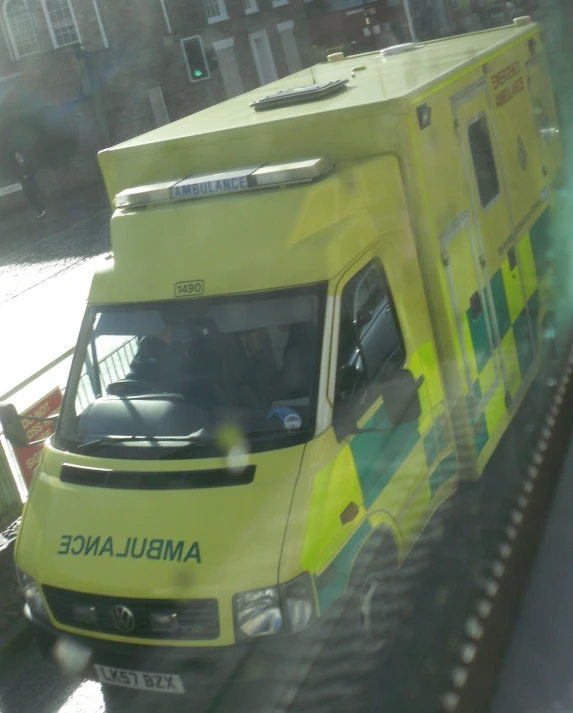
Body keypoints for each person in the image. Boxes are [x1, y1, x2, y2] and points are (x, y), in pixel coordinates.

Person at [12, 152, 46, 218]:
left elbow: (33, 170)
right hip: (25, 185)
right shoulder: (17, 165)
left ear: (21, 154)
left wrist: (28, 175)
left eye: (17, 155)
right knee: (31, 199)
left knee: (35, 197)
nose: (17, 157)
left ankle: (41, 210)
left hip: (31, 182)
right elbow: (17, 173)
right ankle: (40, 211)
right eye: (15, 156)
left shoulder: (27, 161)